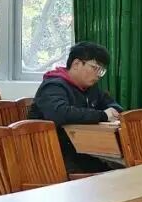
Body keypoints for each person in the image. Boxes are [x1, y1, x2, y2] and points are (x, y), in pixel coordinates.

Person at [29, 41, 123, 173]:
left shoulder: (90, 89)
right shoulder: (53, 86)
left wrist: (113, 111)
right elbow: (61, 114)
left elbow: (114, 106)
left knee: (122, 170)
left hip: (82, 149)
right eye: (95, 68)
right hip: (51, 154)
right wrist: (103, 115)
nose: (98, 75)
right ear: (76, 64)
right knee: (113, 176)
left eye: (101, 71)